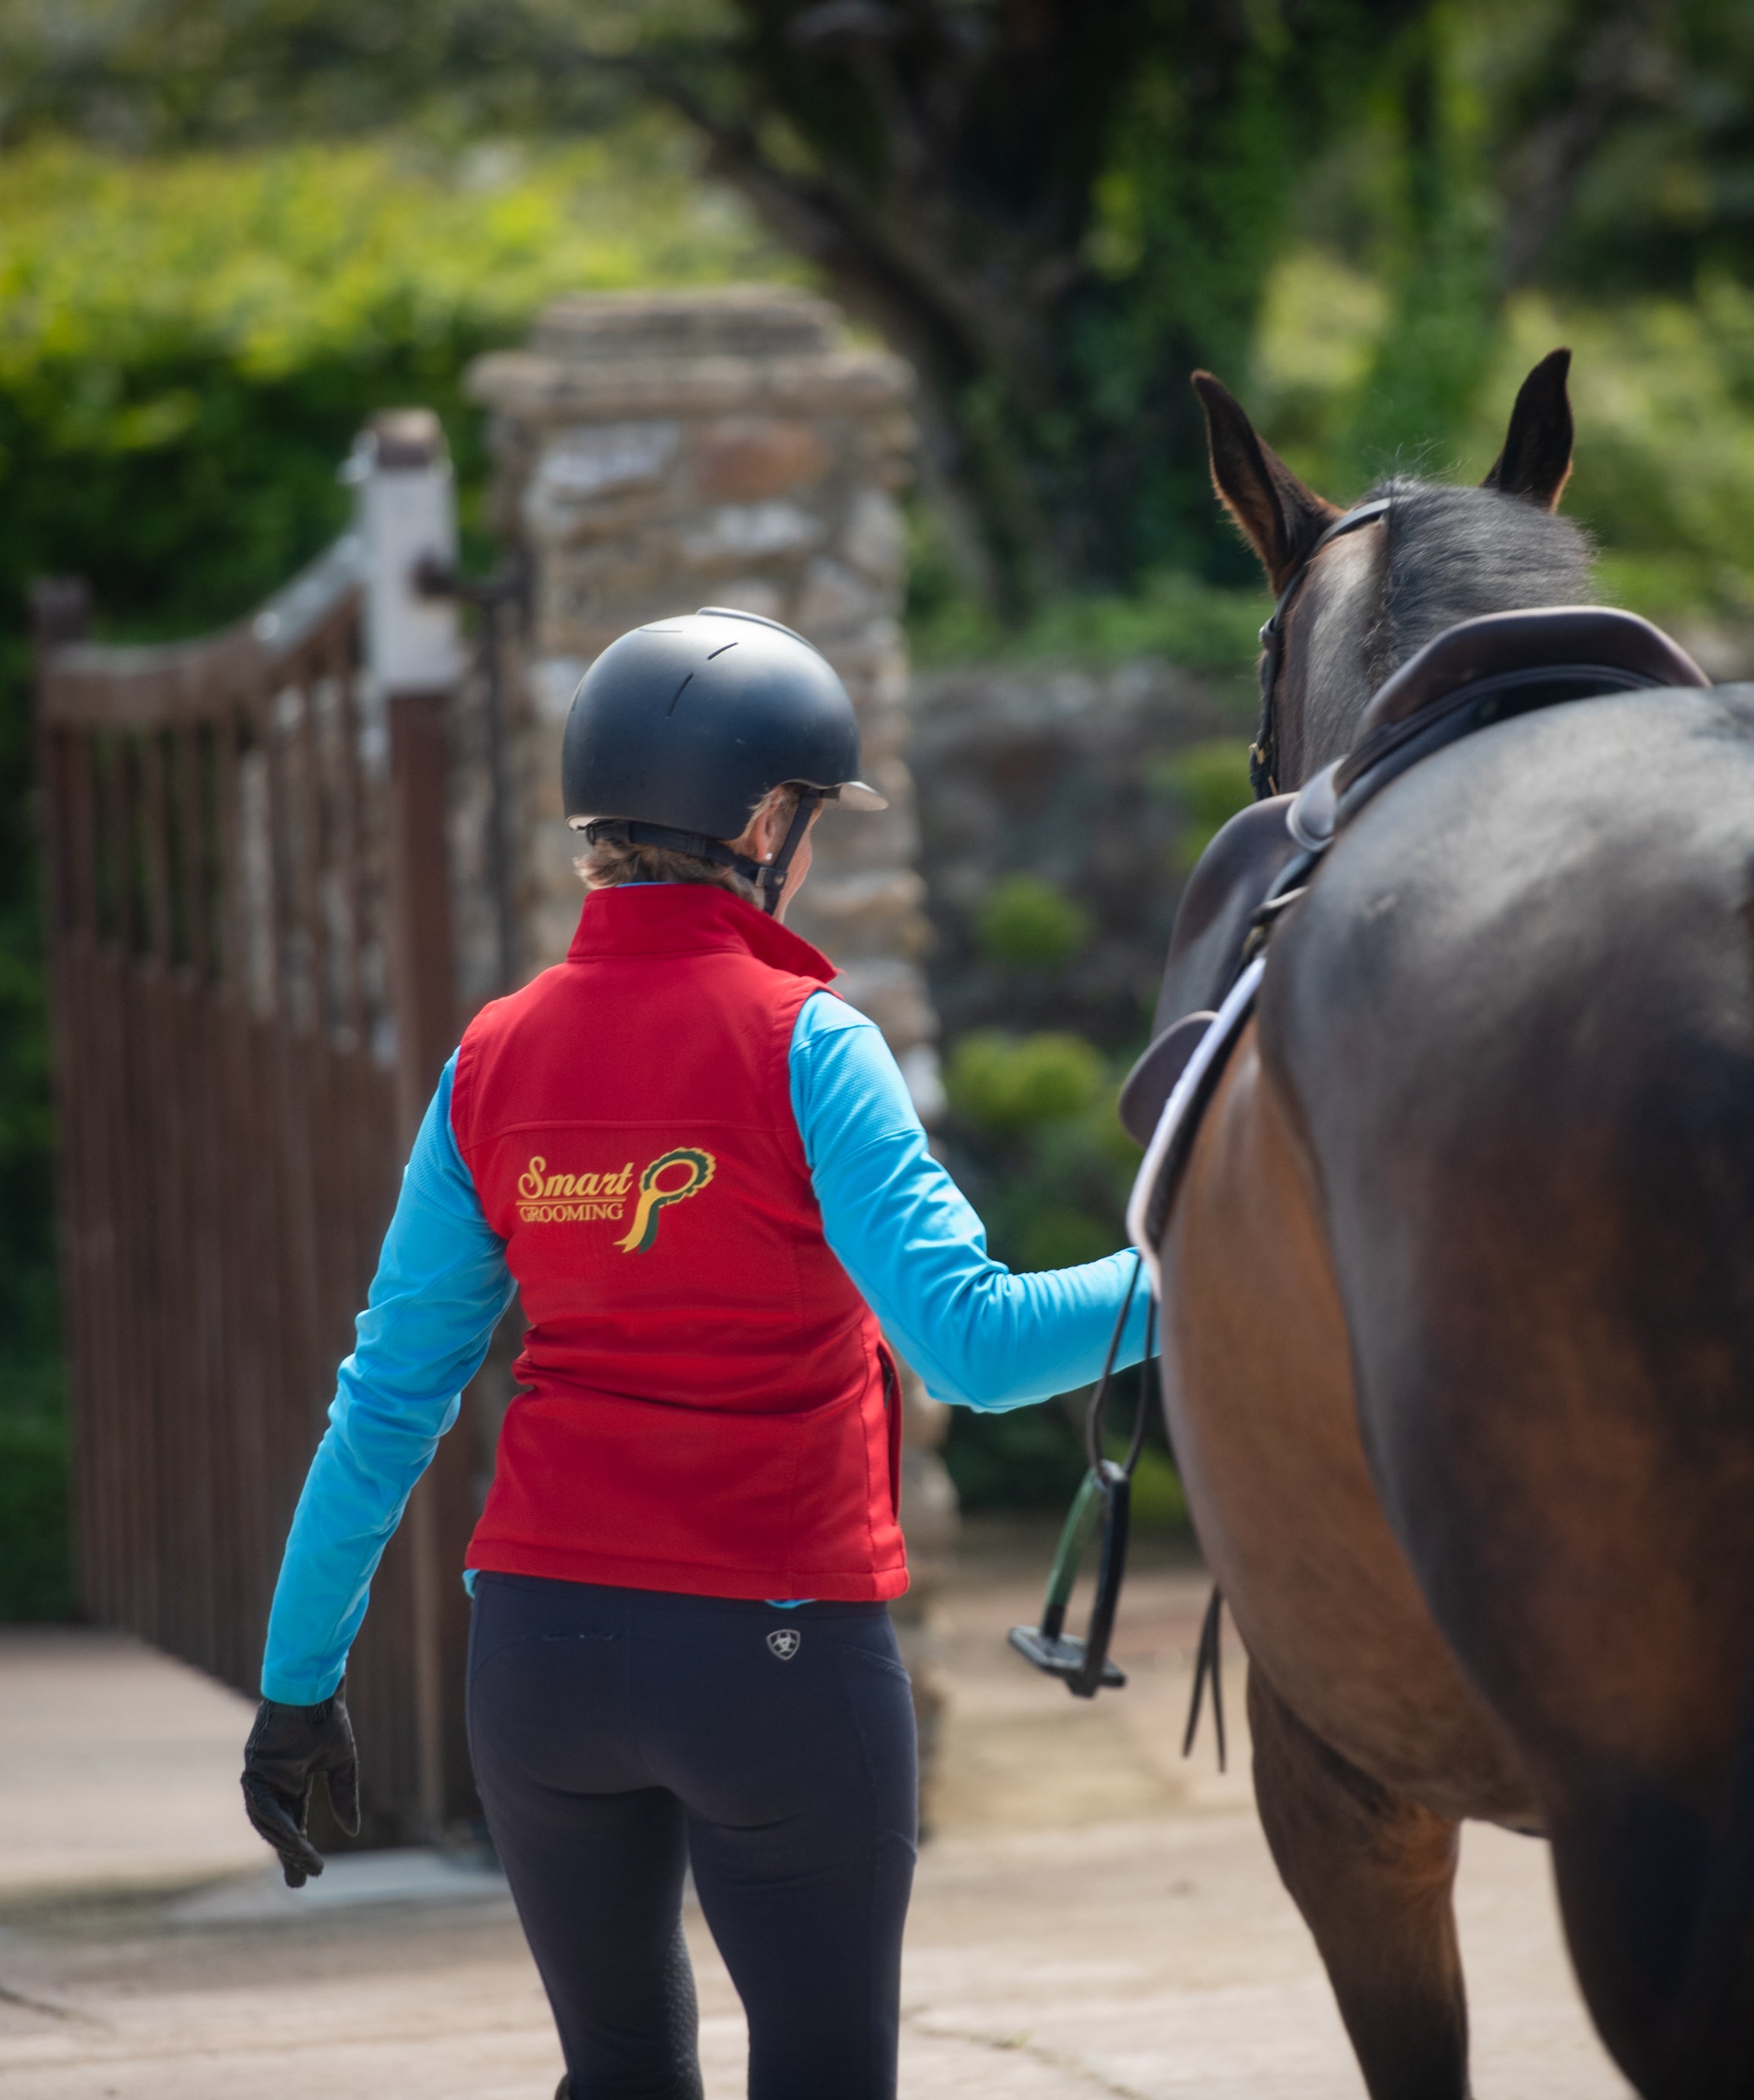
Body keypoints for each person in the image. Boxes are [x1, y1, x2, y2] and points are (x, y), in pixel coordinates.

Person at [239, 606, 1151, 2100]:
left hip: (539, 1656)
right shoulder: (806, 1039)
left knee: (619, 2077)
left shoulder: (494, 1055)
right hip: (773, 1649)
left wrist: (296, 1682)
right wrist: (1190, 1268)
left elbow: (390, 1394)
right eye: (812, 817)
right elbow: (975, 1349)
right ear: (765, 821)